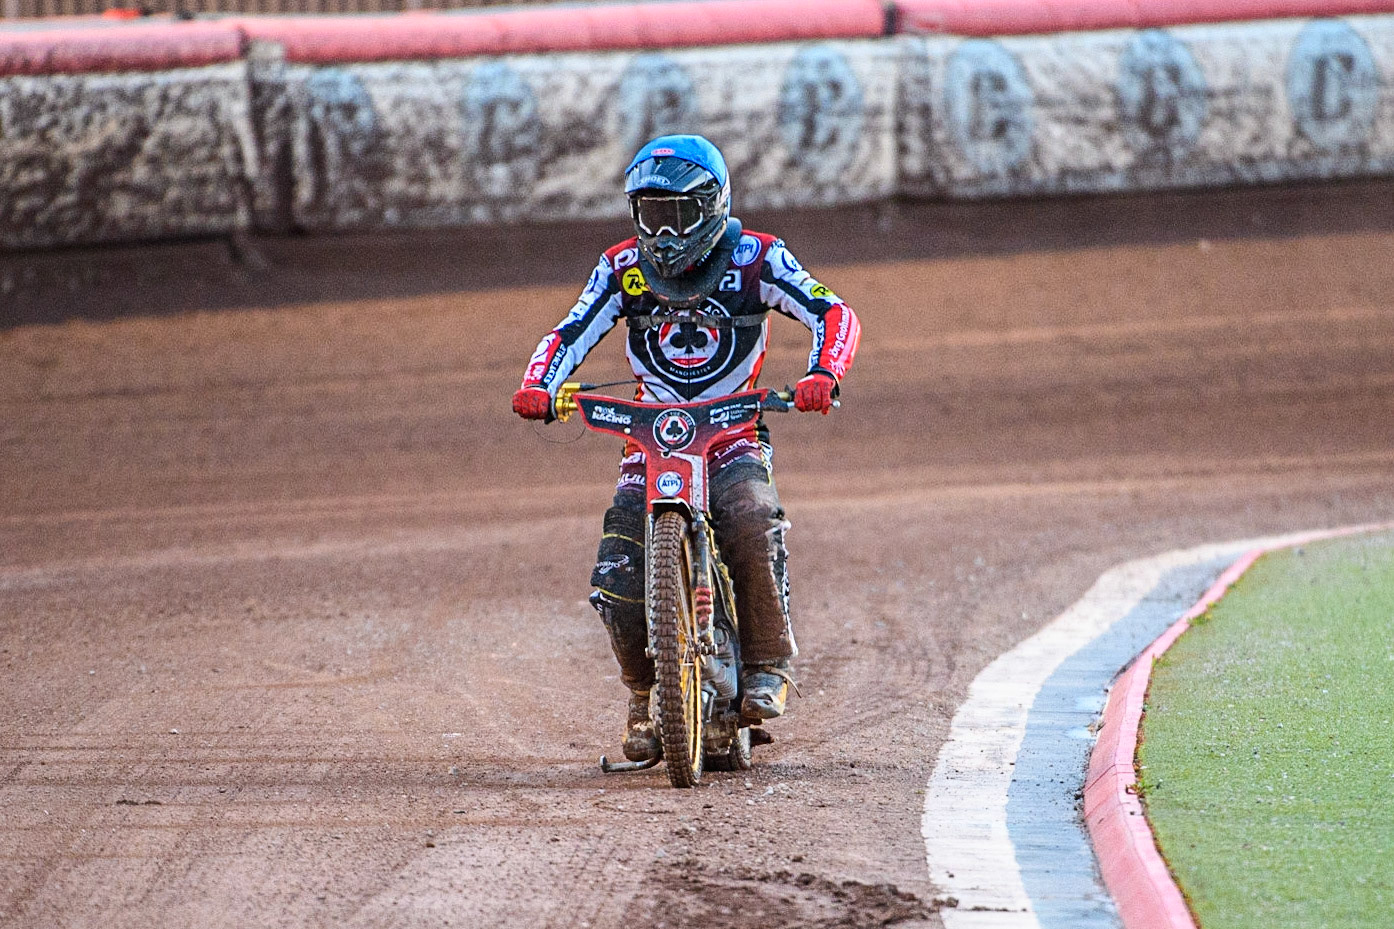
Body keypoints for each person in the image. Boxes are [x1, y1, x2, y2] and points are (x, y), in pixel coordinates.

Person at [512, 134, 861, 762]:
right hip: (648, 438)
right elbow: (568, 330)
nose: (666, 233)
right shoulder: (622, 269)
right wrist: (538, 384)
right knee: (617, 571)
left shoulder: (758, 259)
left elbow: (833, 313)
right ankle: (645, 693)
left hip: (732, 433)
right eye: (651, 215)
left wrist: (822, 374)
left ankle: (766, 665)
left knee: (752, 519)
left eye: (680, 214)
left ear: (715, 205)